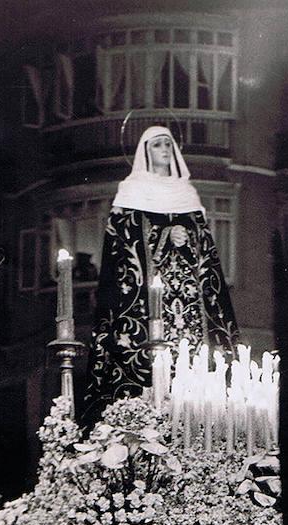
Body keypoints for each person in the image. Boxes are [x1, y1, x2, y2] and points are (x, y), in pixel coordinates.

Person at [84, 125, 239, 422]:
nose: (165, 150)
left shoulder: (187, 193)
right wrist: (165, 234)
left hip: (190, 303)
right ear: (145, 151)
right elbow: (121, 243)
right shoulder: (131, 191)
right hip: (145, 303)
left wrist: (188, 236)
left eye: (168, 145)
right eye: (157, 145)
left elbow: (206, 249)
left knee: (198, 364)